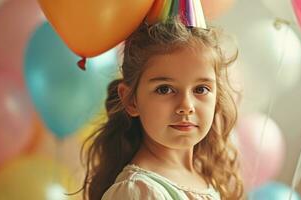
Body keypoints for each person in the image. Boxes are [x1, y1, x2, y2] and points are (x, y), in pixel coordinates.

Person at [80, 17, 244, 200]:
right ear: (131, 100)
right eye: (164, 89)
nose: (186, 106)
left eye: (201, 89)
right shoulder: (138, 192)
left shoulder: (208, 178)